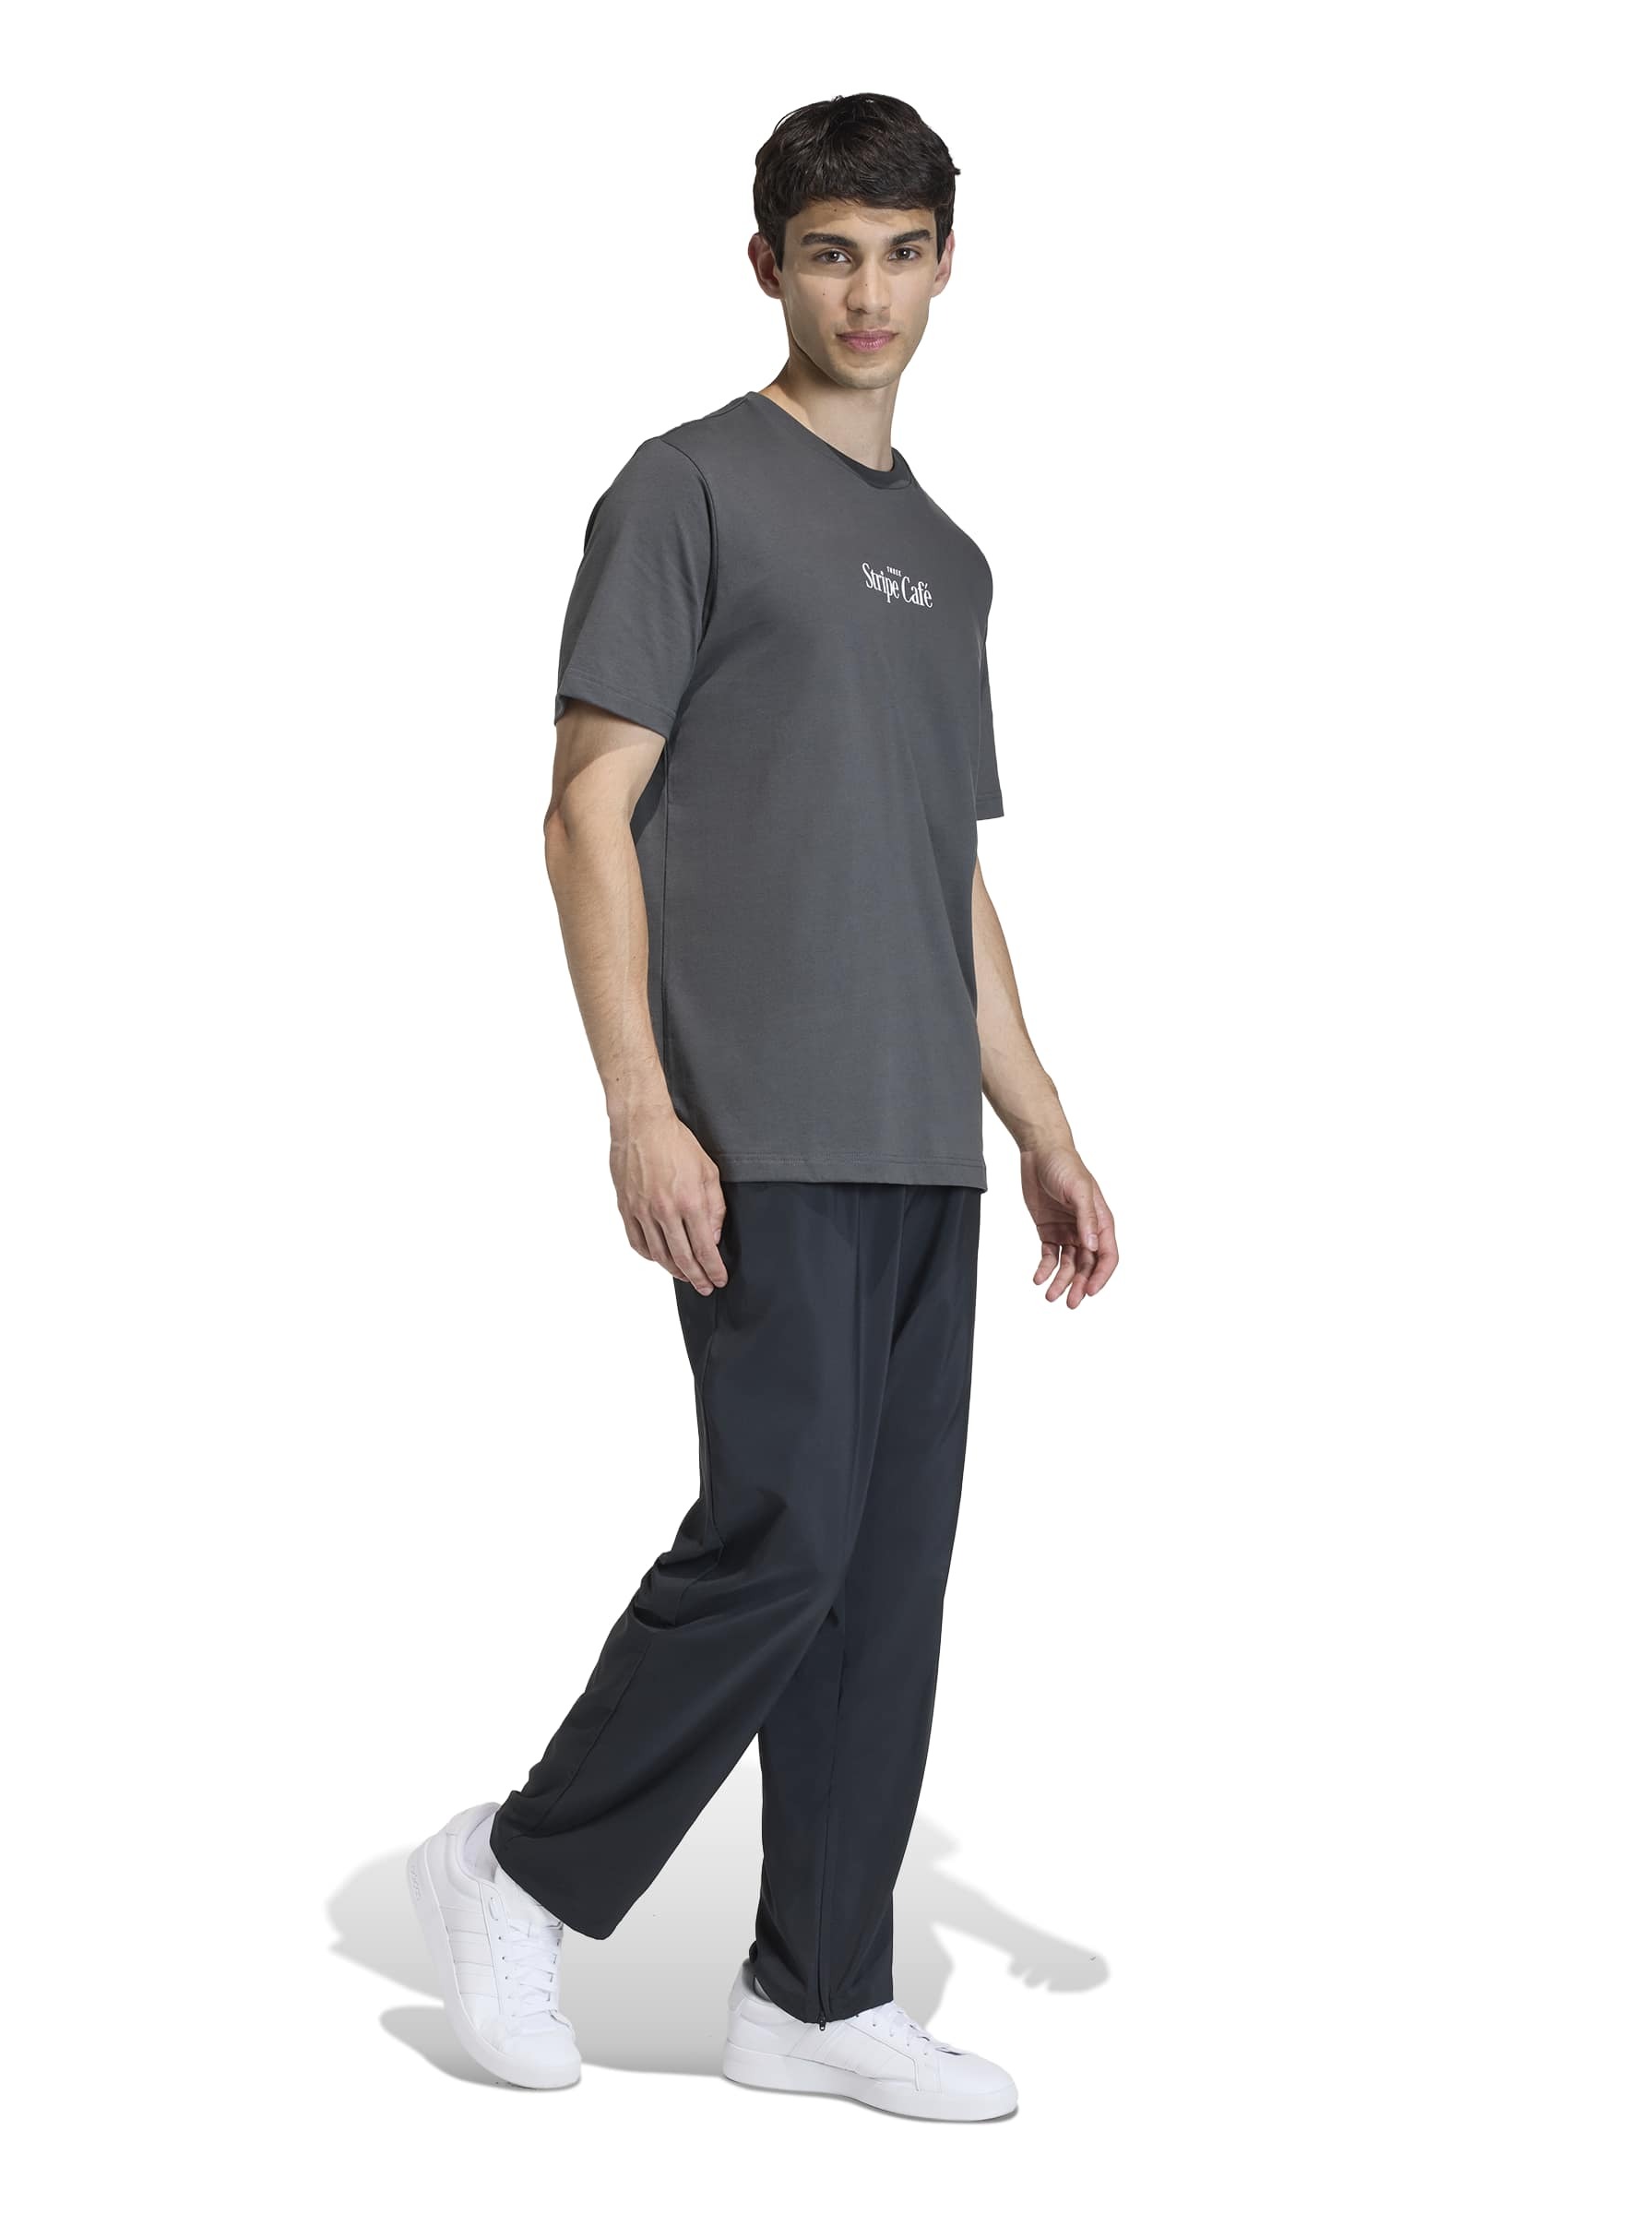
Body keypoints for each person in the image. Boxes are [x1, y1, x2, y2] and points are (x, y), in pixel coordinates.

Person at [409, 91, 1115, 2123]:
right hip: (763, 1124)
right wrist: (638, 1103)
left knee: (884, 1582)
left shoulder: (951, 561)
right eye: (829, 253)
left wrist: (1044, 1124)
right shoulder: (688, 489)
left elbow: (944, 874)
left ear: (947, 265)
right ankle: (521, 1869)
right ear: (768, 266)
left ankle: (817, 1989)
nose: (867, 292)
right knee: (782, 1537)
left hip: (921, 1145)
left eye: (900, 252)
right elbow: (584, 808)